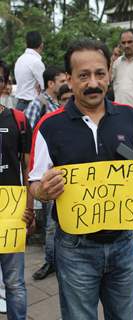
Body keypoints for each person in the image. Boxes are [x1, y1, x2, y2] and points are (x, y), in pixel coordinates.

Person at [29, 39, 133, 320]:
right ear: (69, 79)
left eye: (100, 73)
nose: (93, 83)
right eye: (83, 75)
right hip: (75, 248)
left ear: (109, 74)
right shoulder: (49, 126)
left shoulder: (130, 118)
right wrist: (44, 190)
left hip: (124, 244)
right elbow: (35, 184)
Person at [25, 66, 66, 281]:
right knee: (51, 224)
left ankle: (63, 261)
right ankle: (50, 262)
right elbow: (31, 138)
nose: (66, 82)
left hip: (69, 177)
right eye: (61, 80)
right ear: (51, 84)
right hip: (48, 175)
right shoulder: (38, 105)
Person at [0, 59, 34, 320]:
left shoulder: (18, 120)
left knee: (14, 283)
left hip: (10, 215)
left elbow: (27, 169)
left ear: (6, 84)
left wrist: (29, 208)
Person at [14, 31, 45, 111]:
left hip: (19, 104)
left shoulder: (20, 59)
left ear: (26, 44)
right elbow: (45, 86)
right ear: (41, 45)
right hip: (31, 105)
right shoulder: (36, 61)